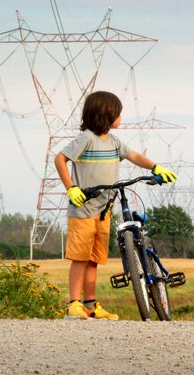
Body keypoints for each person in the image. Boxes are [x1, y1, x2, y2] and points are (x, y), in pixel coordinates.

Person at [54, 91, 177, 320]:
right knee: (80, 258)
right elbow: (59, 159)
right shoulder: (87, 139)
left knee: (93, 259)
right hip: (82, 209)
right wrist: (71, 187)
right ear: (106, 115)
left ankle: (90, 305)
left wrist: (155, 168)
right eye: (118, 113)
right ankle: (73, 304)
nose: (120, 117)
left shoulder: (114, 142)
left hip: (104, 210)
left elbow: (134, 156)